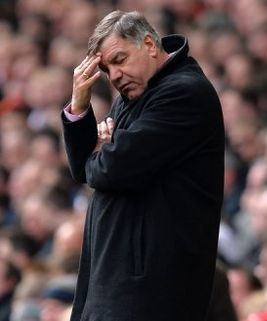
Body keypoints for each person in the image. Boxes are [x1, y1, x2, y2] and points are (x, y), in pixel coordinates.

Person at [61, 10, 224, 321]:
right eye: (107, 71)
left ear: (149, 44)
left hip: (149, 290)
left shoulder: (182, 93)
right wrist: (80, 107)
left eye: (119, 60)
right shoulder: (134, 95)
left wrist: (104, 153)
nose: (116, 75)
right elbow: (85, 170)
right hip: (115, 280)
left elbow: (110, 170)